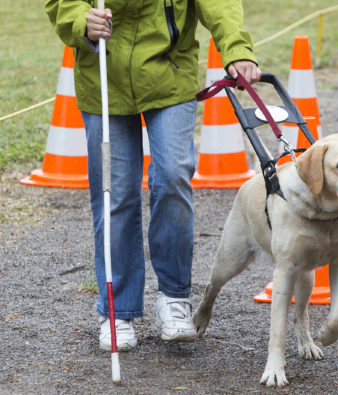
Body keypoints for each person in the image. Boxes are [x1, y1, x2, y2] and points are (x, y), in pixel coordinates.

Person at [45, 0, 261, 351]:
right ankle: (118, 310)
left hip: (170, 75)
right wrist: (79, 21)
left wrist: (237, 48)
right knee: (114, 193)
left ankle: (174, 298)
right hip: (103, 76)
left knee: (173, 176)